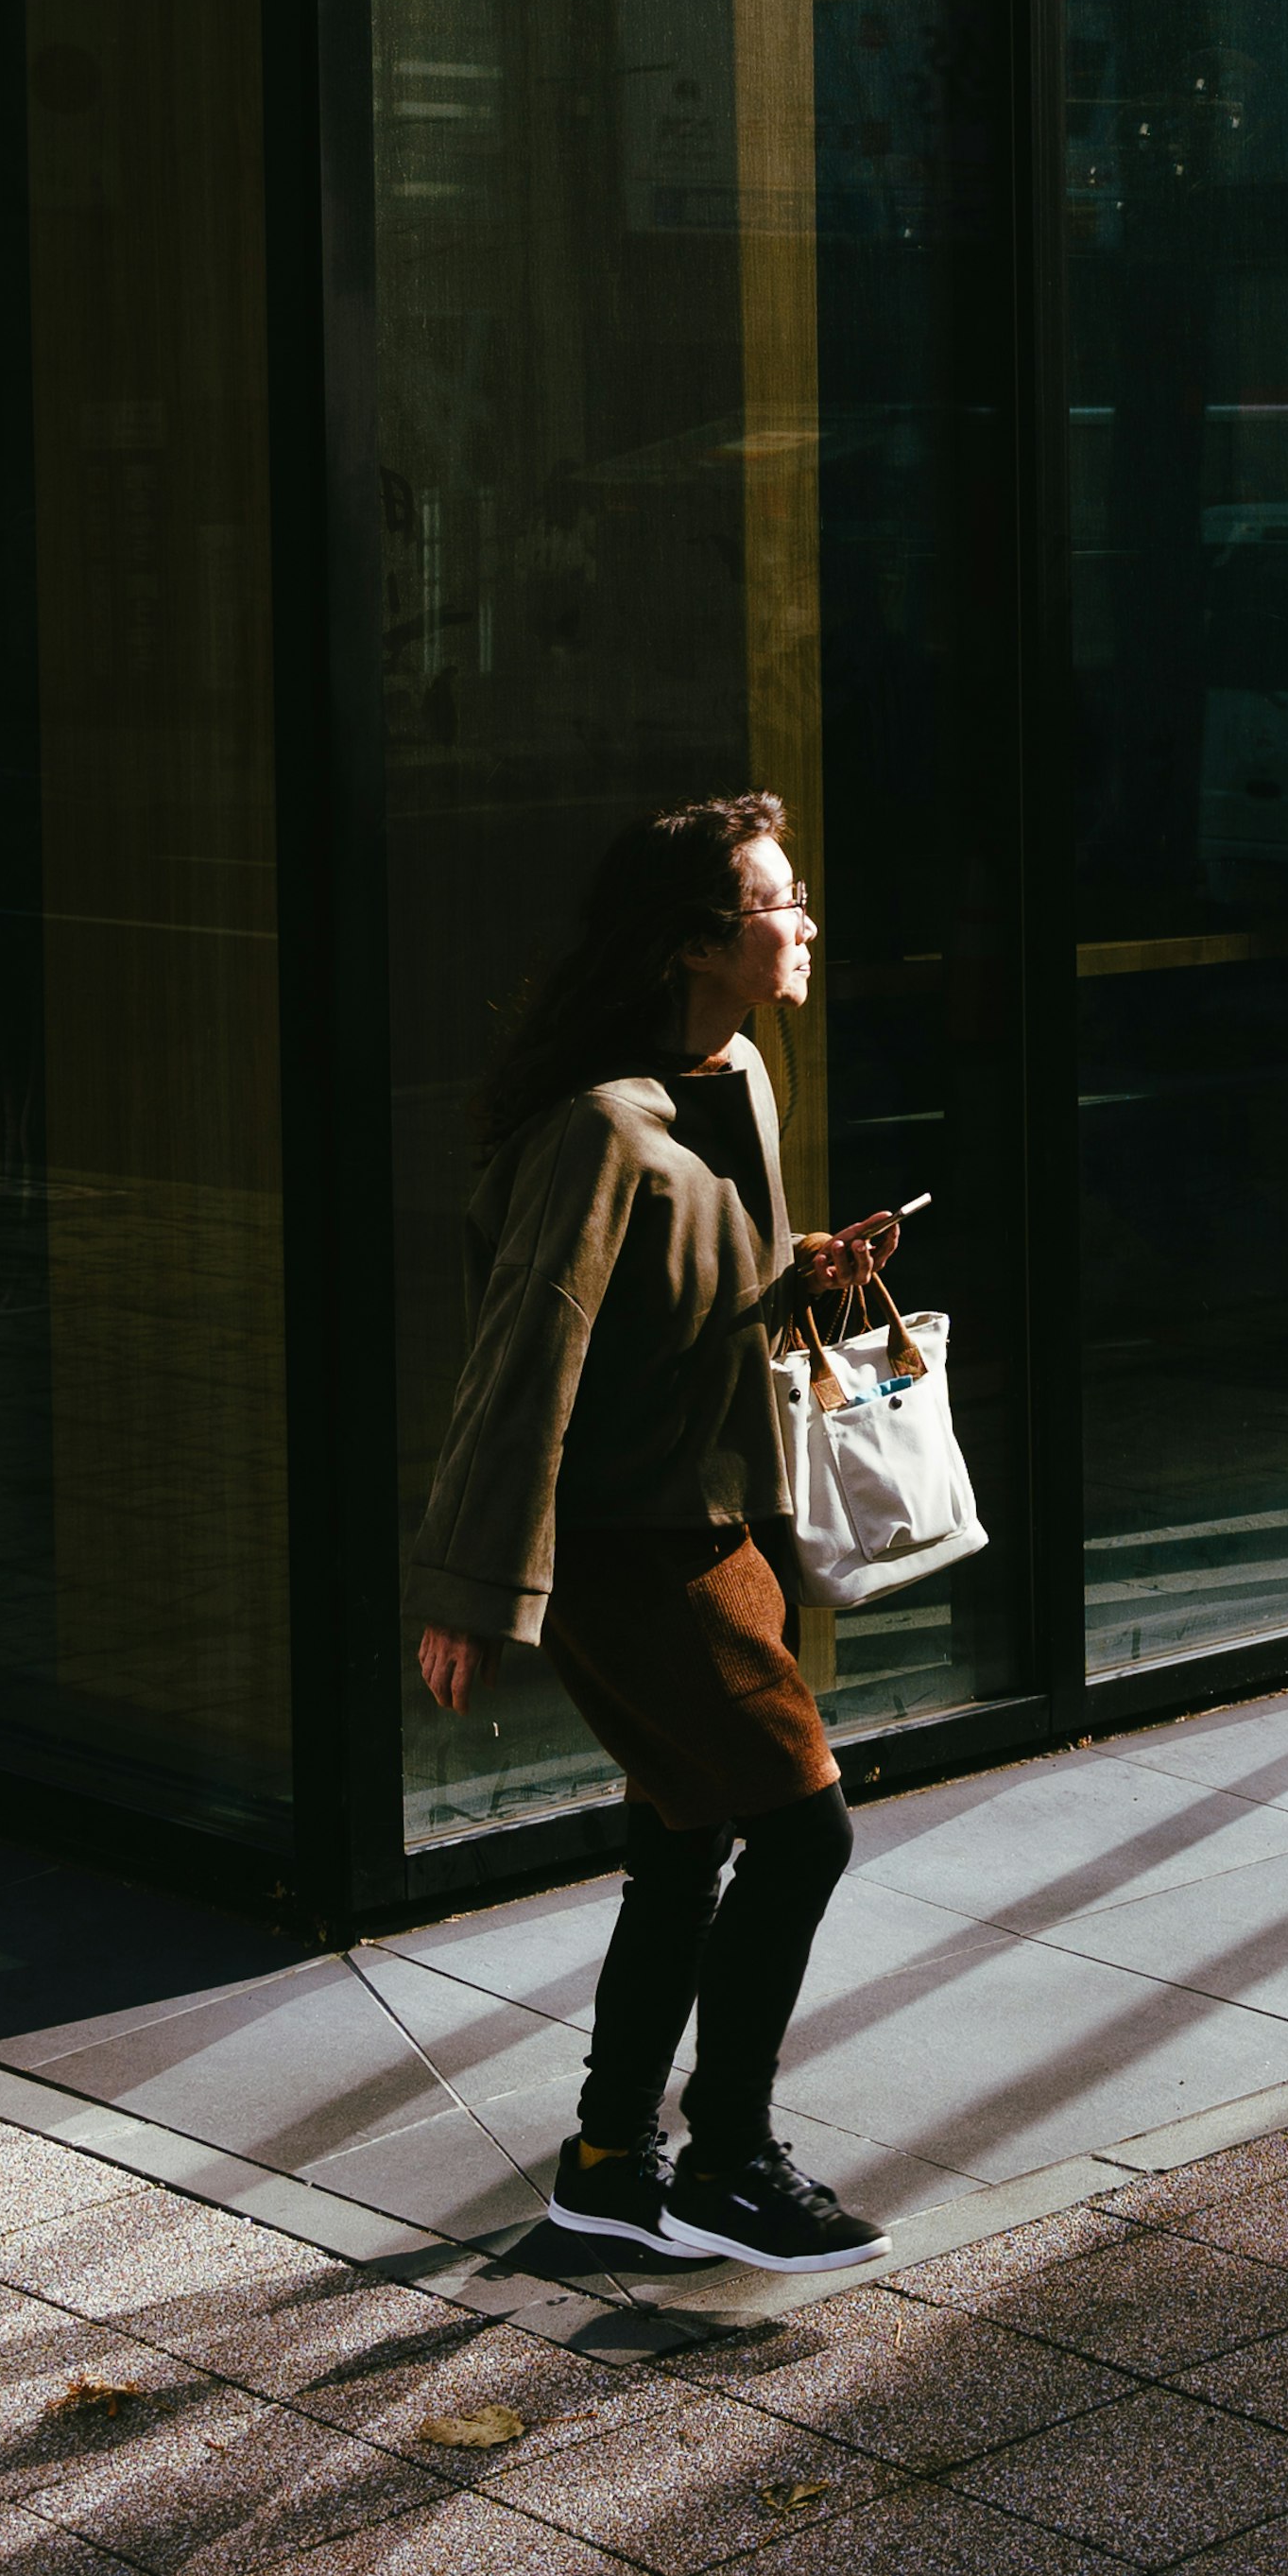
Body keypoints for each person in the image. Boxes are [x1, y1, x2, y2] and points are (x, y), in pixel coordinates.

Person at [410, 790, 900, 2272]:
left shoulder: (740, 1073)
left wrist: (807, 1276)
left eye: (799, 895)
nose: (802, 921)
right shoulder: (599, 1128)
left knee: (687, 1844)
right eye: (776, 902)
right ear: (696, 939)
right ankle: (729, 2166)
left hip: (714, 1520)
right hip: (633, 1548)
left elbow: (692, 1299)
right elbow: (527, 1361)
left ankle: (614, 2157)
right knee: (802, 1831)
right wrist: (473, 1588)